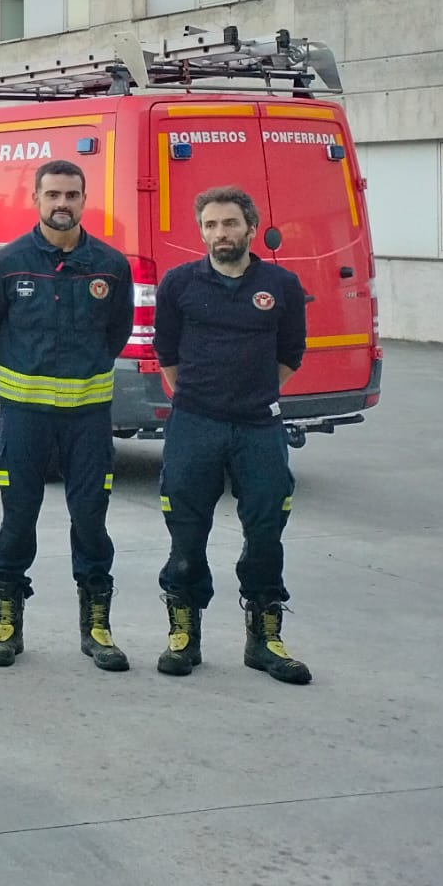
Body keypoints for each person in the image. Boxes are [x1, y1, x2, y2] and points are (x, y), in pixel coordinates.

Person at [0, 159, 136, 671]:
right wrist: (20, 373)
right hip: (23, 419)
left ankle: (97, 627)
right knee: (18, 519)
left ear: (84, 200)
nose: (61, 204)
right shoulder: (8, 263)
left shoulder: (110, 265)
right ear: (37, 200)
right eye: (52, 195)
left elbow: (118, 331)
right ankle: (6, 623)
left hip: (88, 420)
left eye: (71, 195)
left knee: (90, 521)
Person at [152, 185, 312, 685]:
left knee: (266, 532)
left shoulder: (281, 285)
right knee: (186, 534)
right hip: (194, 425)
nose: (220, 233)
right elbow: (168, 353)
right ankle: (184, 634)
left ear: (249, 227)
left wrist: (251, 395)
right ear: (201, 231)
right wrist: (203, 400)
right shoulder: (178, 285)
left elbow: (292, 353)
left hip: (259, 427)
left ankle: (264, 639)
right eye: (210, 225)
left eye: (229, 224)